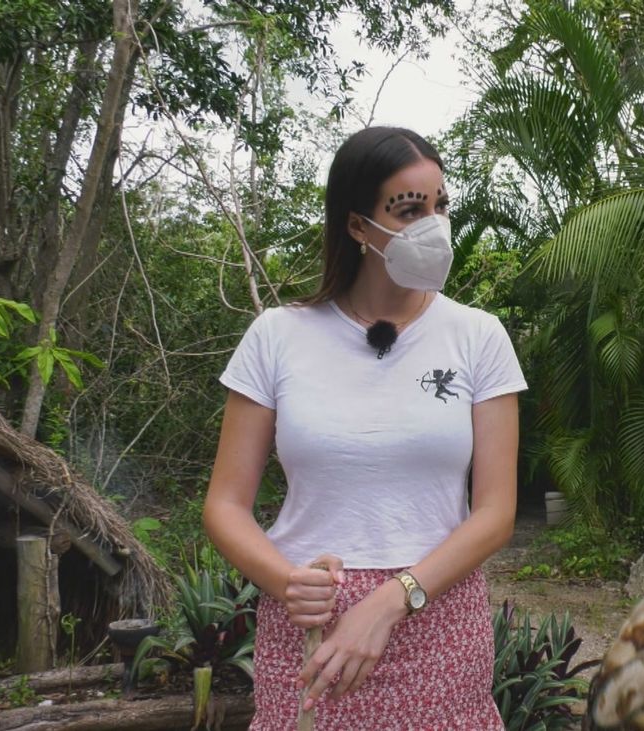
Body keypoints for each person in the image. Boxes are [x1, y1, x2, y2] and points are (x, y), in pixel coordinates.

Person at [203, 126, 525, 730]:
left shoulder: (479, 337)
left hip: (436, 618)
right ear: (357, 226)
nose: (432, 224)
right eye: (408, 210)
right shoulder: (277, 337)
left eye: (439, 206)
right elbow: (224, 503)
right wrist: (286, 582)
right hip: (309, 623)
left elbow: (495, 513)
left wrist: (390, 600)